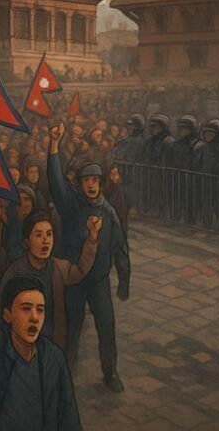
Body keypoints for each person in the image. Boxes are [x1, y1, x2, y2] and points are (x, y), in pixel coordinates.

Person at [0, 214, 82, 431]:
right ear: (7, 315)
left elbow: (68, 418)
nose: (34, 316)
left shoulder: (53, 359)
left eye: (40, 310)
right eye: (25, 308)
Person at [48, 123, 130, 392]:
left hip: (98, 283)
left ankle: (110, 372)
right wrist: (53, 146)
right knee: (72, 329)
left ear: (101, 183)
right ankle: (66, 374)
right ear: (80, 184)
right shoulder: (71, 207)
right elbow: (56, 183)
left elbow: (120, 248)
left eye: (95, 181)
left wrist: (124, 279)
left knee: (106, 328)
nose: (91, 185)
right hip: (74, 280)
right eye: (86, 181)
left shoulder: (108, 213)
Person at [0, 211, 100, 351]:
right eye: (38, 235)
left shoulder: (57, 267)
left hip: (51, 339)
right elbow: (1, 311)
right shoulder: (15, 272)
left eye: (49, 234)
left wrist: (92, 239)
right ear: (27, 242)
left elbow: (79, 271)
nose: (45, 240)